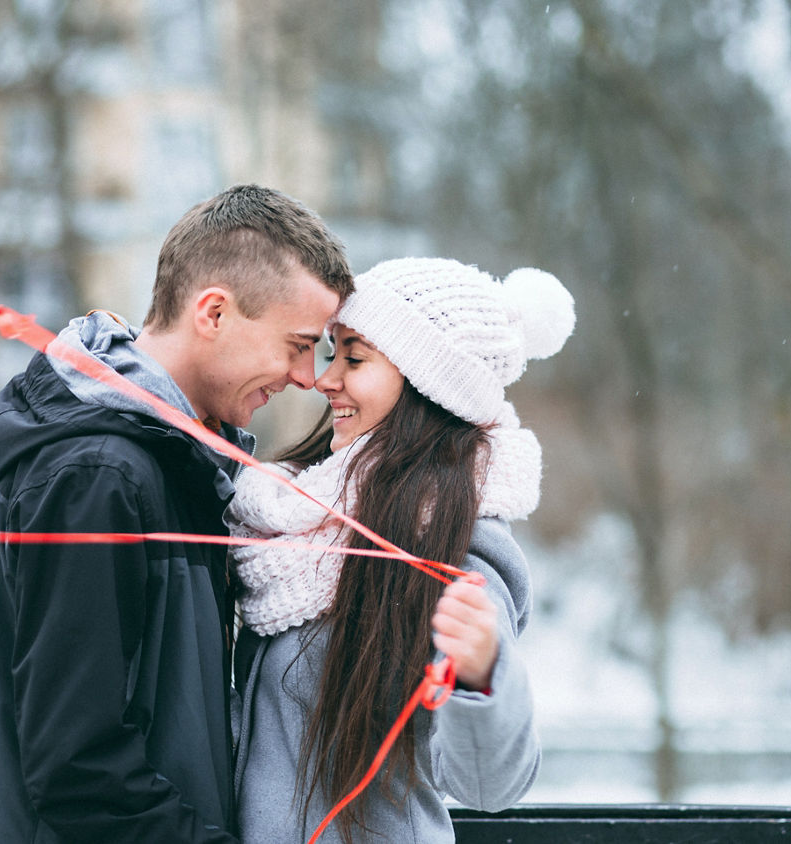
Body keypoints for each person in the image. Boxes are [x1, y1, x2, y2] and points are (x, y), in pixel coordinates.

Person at [0, 184, 354, 843]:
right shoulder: (98, 476)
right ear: (212, 313)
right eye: (298, 344)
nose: (308, 376)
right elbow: (77, 766)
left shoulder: (174, 463)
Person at [227, 257, 575, 843]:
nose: (326, 378)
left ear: (427, 384)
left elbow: (490, 786)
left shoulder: (456, 550)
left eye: (354, 358)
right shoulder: (287, 522)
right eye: (331, 352)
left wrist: (481, 676)